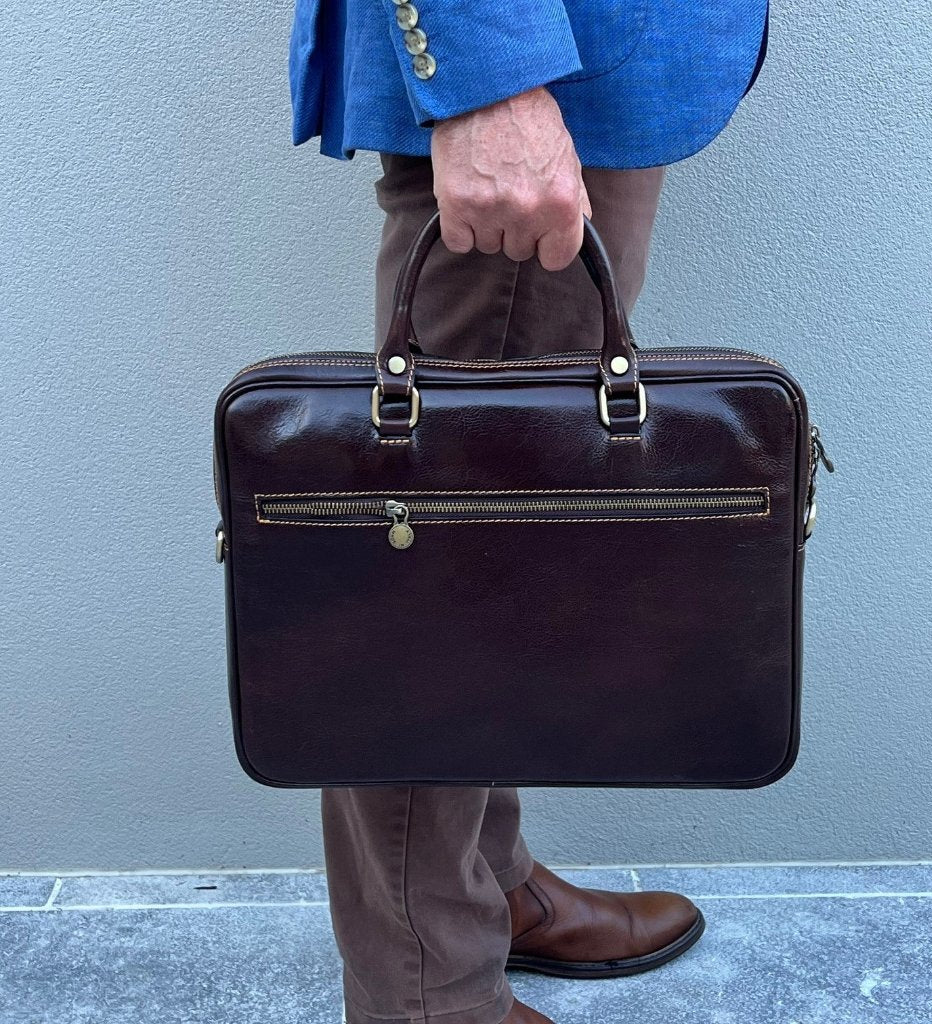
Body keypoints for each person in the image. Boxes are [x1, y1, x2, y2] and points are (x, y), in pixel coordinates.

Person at [289, 2, 770, 1022]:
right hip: (519, 60)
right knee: (438, 575)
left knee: (503, 552)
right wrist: (488, 77)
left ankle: (483, 884)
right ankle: (430, 997)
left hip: (599, 64)